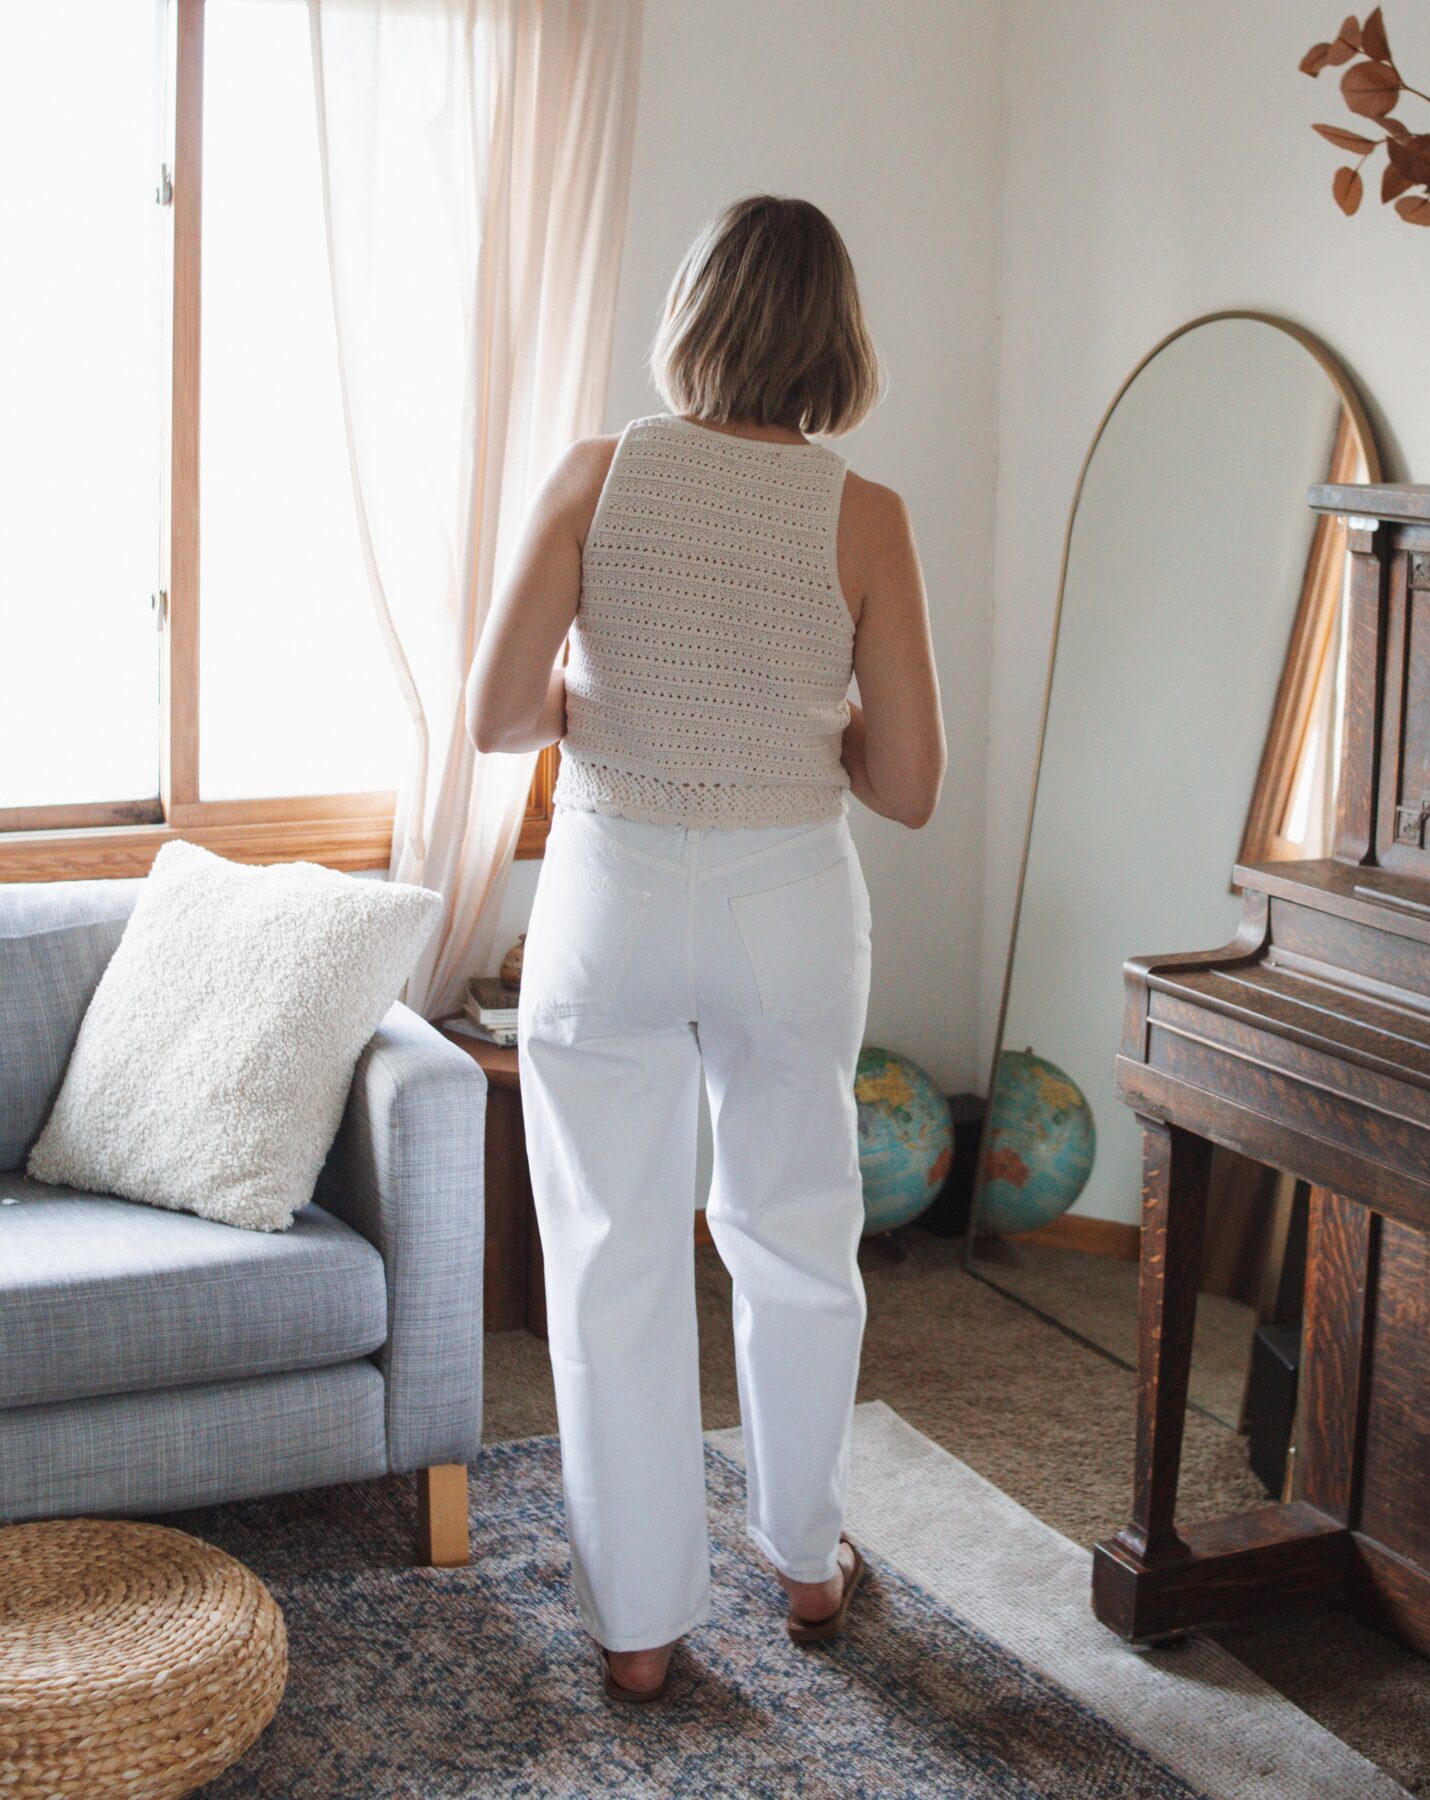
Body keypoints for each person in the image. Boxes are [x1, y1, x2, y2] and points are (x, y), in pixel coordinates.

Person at [465, 192, 945, 1701]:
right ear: (836, 338)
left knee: (610, 1251)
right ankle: (806, 1562)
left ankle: (640, 1634)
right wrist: (811, 726)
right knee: (796, 1232)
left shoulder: (599, 475)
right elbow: (914, 787)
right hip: (788, 898)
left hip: (609, 894)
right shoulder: (865, 513)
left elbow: (492, 715)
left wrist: (617, 709)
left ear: (695, 318)